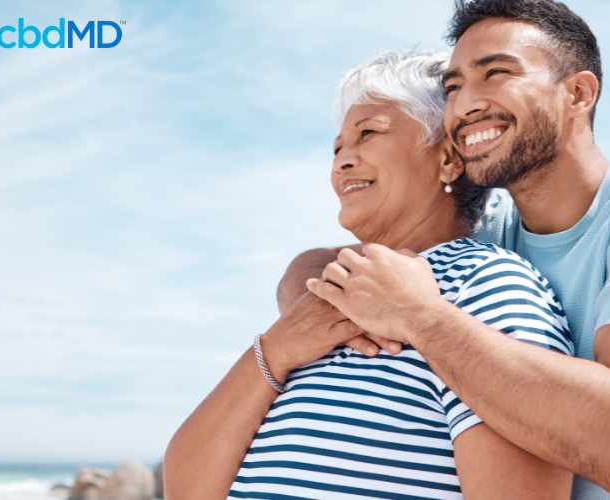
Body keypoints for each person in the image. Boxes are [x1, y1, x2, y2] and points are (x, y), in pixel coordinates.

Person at [294, 1, 610, 498]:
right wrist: (329, 293)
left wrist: (419, 317)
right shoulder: (487, 232)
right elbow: (316, 266)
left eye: (496, 73)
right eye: (453, 87)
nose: (464, 105)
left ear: (578, 93)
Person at [165, 49, 577, 500]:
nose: (342, 161)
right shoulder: (329, 297)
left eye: (368, 134)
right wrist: (277, 348)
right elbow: (187, 488)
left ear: (448, 160)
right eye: (338, 147)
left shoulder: (485, 284)